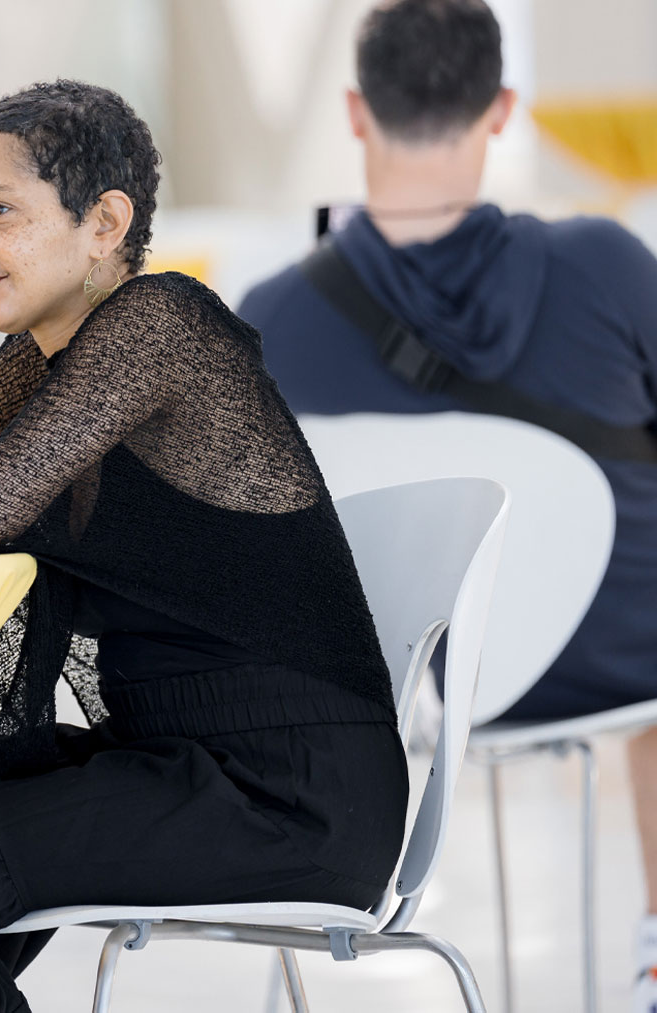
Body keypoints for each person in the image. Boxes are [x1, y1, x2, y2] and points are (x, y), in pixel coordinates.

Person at [0, 80, 409, 1012]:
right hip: (166, 759)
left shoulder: (164, 322)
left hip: (287, 792)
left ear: (105, 222)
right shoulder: (47, 361)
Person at [237, 3, 657, 1002]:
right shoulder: (606, 265)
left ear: (355, 111)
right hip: (619, 658)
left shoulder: (273, 318)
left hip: (414, 682)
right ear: (502, 107)